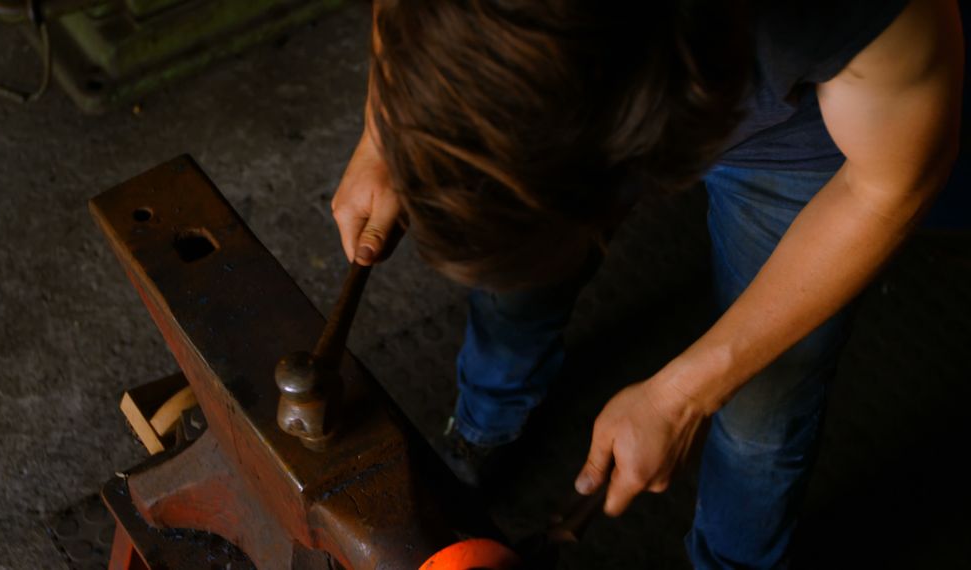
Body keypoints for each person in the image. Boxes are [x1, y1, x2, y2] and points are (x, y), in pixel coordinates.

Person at [330, 0, 963, 567]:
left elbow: (890, 186)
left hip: (802, 149)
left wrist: (684, 394)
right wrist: (391, 133)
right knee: (514, 277)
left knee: (762, 407)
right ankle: (485, 425)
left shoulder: (862, 11)